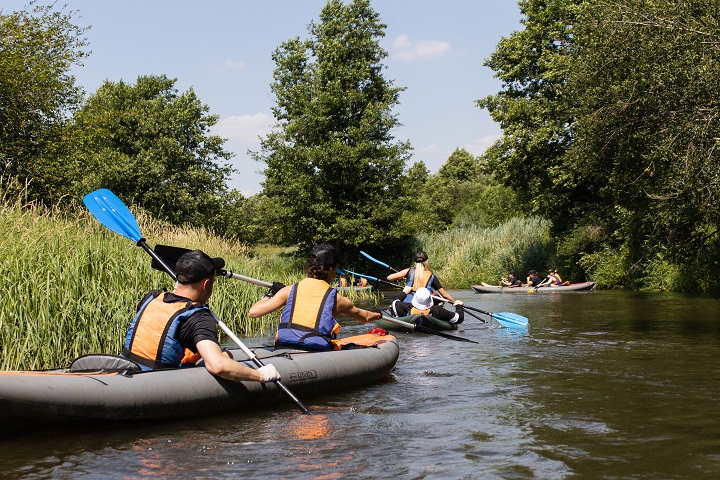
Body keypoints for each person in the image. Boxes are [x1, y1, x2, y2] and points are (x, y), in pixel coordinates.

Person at [122, 249, 280, 383]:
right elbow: (217, 365)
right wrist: (260, 375)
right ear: (206, 284)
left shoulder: (151, 297)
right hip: (157, 382)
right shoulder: (198, 317)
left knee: (226, 353)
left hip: (127, 369)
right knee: (223, 358)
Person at [248, 244, 382, 351]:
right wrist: (377, 315)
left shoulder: (288, 291)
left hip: (285, 345)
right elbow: (365, 317)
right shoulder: (338, 299)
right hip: (316, 350)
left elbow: (253, 312)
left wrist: (271, 294)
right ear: (332, 269)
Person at [386, 250, 457, 304]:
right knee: (439, 299)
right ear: (426, 262)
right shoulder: (431, 276)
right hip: (425, 304)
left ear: (415, 262)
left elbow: (389, 278)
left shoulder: (409, 271)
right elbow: (444, 295)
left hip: (408, 302)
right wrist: (455, 302)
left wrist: (400, 276)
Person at [390, 287, 465, 324]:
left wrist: (404, 292)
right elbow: (459, 318)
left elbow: (395, 301)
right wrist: (459, 306)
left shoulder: (404, 308)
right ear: (430, 301)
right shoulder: (438, 311)